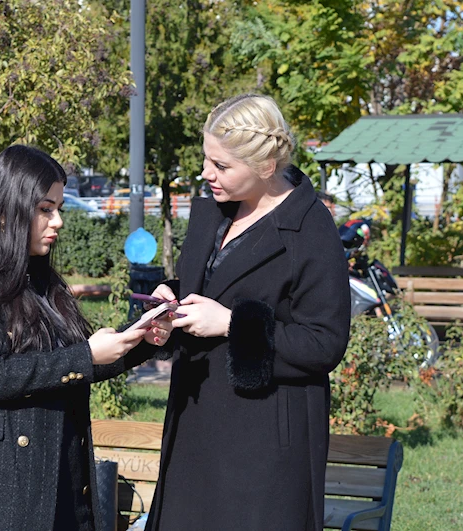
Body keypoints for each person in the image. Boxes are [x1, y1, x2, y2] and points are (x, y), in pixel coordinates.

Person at [0, 145, 172, 531]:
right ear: (7, 209)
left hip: (61, 480)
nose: (57, 221)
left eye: (58, 208)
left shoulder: (40, 281)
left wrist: (145, 335)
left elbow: (74, 365)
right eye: (44, 209)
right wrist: (86, 356)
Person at [145, 94, 351, 531]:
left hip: (263, 447)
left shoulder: (311, 230)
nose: (207, 174)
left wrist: (233, 325)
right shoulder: (213, 212)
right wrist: (174, 299)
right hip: (195, 425)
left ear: (265, 166)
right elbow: (218, 285)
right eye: (207, 160)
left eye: (221, 166)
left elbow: (324, 342)